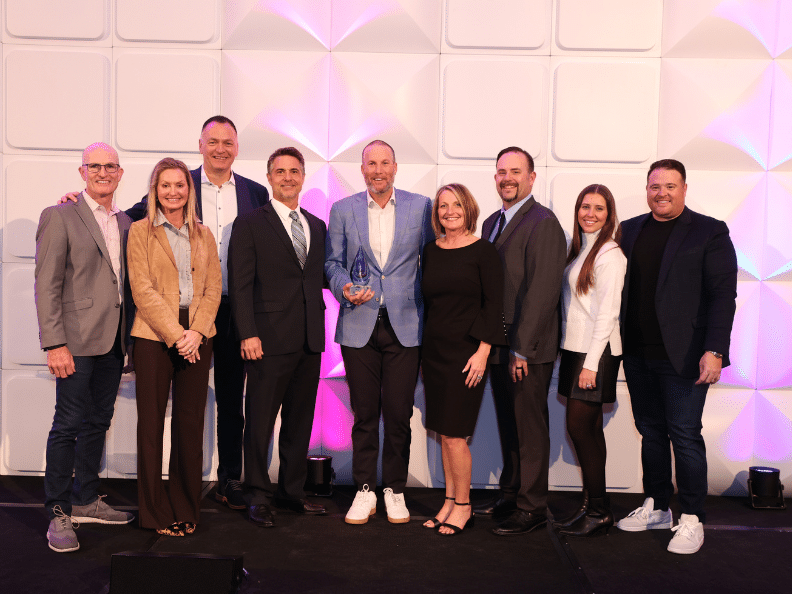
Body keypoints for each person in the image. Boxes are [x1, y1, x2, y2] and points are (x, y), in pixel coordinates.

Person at [61, 116, 269, 510]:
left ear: (237, 147)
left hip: (228, 310)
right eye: (212, 141)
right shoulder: (179, 181)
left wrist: (202, 328)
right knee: (155, 416)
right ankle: (155, 505)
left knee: (230, 400)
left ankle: (228, 480)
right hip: (166, 320)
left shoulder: (255, 192)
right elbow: (128, 219)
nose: (220, 148)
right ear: (201, 145)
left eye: (228, 142)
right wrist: (81, 202)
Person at [616, 159, 737, 555]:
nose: (662, 193)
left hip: (685, 356)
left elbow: (723, 296)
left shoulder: (709, 231)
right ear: (646, 189)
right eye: (655, 186)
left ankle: (692, 517)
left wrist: (715, 350)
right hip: (637, 352)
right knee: (651, 432)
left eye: (670, 186)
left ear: (684, 188)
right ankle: (656, 506)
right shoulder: (629, 229)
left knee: (684, 435)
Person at [325, 140, 433, 525]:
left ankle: (395, 489)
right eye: (371, 163)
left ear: (395, 167)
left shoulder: (422, 207)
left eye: (385, 163)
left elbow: (432, 261)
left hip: (406, 324)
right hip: (359, 322)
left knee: (399, 414)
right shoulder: (343, 209)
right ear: (362, 169)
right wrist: (344, 288)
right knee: (365, 414)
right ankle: (366, 489)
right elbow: (332, 263)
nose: (378, 170)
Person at [35, 142, 135, 553]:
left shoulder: (127, 221)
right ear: (82, 172)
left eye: (110, 166)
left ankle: (87, 498)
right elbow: (47, 283)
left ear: (120, 173)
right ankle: (58, 511)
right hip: (74, 340)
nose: (103, 172)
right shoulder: (60, 215)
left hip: (113, 341)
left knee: (98, 421)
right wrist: (54, 343)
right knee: (68, 424)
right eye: (95, 166)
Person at [228, 147, 327, 527]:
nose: (288, 177)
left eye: (294, 171)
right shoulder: (250, 223)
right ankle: (256, 494)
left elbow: (317, 276)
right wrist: (247, 333)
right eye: (280, 171)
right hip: (265, 341)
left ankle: (291, 492)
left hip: (309, 339)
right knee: (259, 423)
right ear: (269, 178)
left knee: (300, 423)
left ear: (303, 177)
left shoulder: (317, 225)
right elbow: (240, 284)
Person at [127, 158, 222, 536]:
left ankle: (186, 508)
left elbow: (214, 287)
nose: (172, 192)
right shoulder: (139, 231)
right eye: (165, 185)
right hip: (153, 335)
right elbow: (142, 289)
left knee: (189, 425)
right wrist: (178, 334)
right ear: (155, 190)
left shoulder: (204, 234)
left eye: (179, 185)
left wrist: (196, 331)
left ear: (189, 189)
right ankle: (154, 513)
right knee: (151, 427)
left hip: (198, 336)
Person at [476, 147, 567, 536]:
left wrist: (521, 350)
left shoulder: (543, 223)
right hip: (499, 343)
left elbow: (543, 293)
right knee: (509, 425)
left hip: (525, 349)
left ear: (531, 178)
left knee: (529, 429)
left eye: (516, 171)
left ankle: (533, 507)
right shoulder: (491, 222)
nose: (507, 178)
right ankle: (511, 495)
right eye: (501, 172)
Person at [420, 184, 506, 536]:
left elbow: (494, 304)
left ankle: (465, 506)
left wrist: (483, 352)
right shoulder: (431, 250)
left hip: (467, 354)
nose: (449, 211)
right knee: (443, 433)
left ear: (468, 208)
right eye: (443, 206)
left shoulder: (484, 251)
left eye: (456, 204)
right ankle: (449, 501)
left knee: (456, 435)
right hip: (435, 352)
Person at [554, 184, 627, 537]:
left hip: (595, 352)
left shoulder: (610, 254)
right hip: (576, 349)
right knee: (590, 431)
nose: (590, 214)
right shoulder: (581, 249)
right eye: (585, 206)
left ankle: (599, 510)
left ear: (609, 215)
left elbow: (608, 315)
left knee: (580, 429)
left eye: (599, 208)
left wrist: (591, 364)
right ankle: (593, 505)